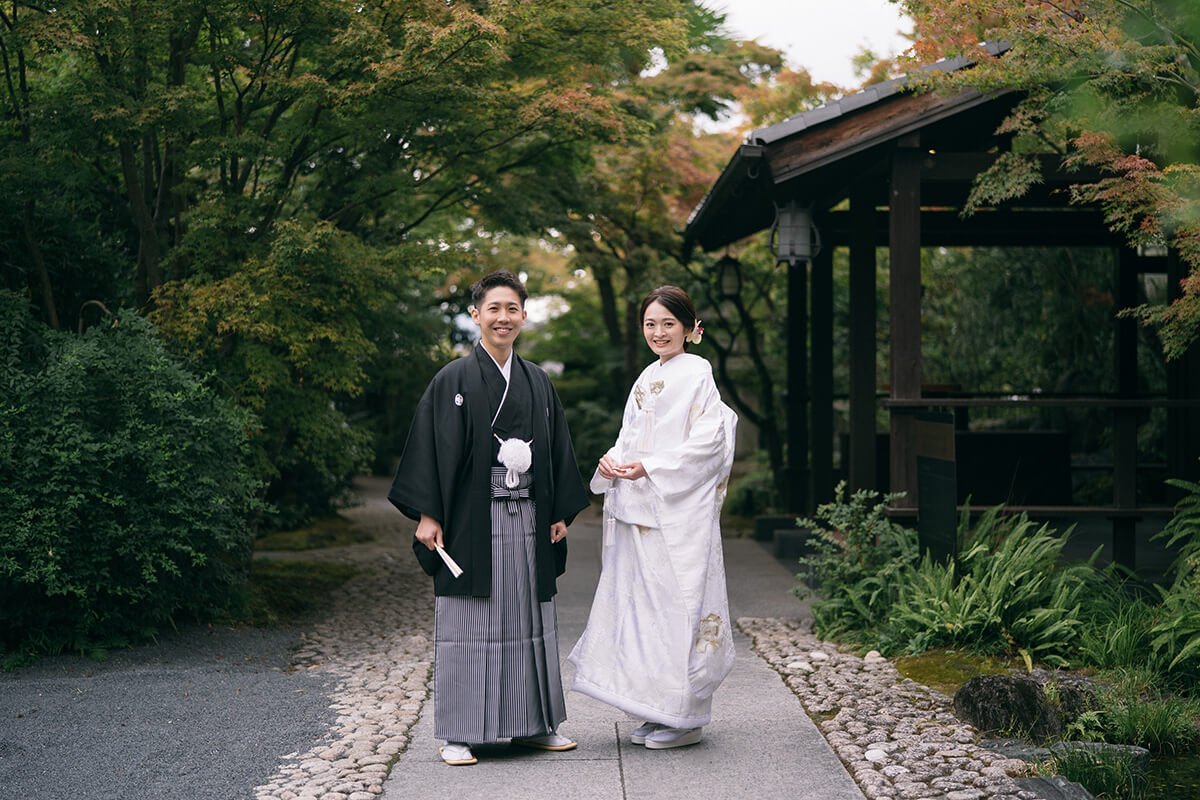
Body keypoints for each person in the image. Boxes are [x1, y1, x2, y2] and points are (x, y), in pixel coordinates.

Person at [389, 269, 589, 766]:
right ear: (476, 315)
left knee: (527, 620)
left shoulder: (537, 380)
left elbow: (558, 448)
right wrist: (428, 515)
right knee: (469, 623)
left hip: (528, 518)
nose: (504, 318)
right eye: (494, 309)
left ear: (524, 315)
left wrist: (560, 510)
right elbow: (432, 450)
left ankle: (534, 725)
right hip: (471, 522)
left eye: (513, 309)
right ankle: (459, 731)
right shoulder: (453, 378)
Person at [569, 285, 737, 750]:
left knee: (675, 607)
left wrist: (653, 467)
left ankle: (684, 716)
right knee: (641, 610)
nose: (659, 332)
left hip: (677, 512)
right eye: (650, 323)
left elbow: (709, 442)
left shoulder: (699, 372)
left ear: (690, 328)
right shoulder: (645, 376)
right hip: (639, 505)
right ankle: (653, 708)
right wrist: (612, 461)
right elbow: (630, 436)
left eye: (668, 323)